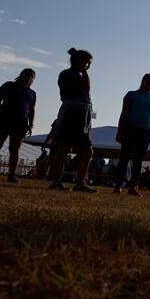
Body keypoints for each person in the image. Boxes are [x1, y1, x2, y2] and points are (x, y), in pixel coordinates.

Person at [49, 48, 97, 192]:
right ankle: (56, 181)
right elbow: (86, 86)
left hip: (84, 110)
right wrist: (85, 71)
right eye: (87, 63)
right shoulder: (67, 74)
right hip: (72, 109)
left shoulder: (79, 75)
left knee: (87, 150)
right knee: (64, 147)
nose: (88, 66)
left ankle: (80, 183)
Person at [0, 68, 37, 182]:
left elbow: (32, 109)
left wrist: (31, 124)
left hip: (21, 122)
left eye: (32, 77)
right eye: (27, 75)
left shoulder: (32, 93)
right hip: (5, 118)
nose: (29, 78)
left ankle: (11, 175)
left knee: (15, 149)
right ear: (21, 75)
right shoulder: (9, 85)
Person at [111, 73, 150, 197]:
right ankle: (117, 186)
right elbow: (124, 113)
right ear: (143, 81)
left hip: (146, 130)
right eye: (148, 80)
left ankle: (133, 187)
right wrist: (120, 130)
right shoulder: (131, 95)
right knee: (125, 157)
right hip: (131, 128)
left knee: (138, 160)